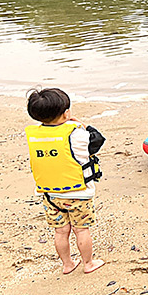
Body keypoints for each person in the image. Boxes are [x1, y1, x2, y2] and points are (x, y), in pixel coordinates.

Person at [25, 88, 106, 275]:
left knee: (61, 232)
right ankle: (88, 263)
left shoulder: (34, 135)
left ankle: (67, 264)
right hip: (79, 193)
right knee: (81, 230)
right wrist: (83, 126)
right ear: (66, 113)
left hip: (50, 195)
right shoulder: (76, 133)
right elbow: (96, 141)